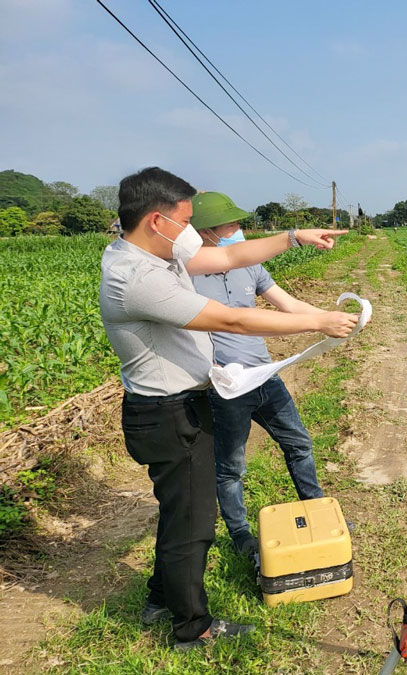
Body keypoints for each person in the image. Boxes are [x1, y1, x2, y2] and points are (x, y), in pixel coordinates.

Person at [99, 167, 359, 650]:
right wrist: (317, 321)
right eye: (186, 221)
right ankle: (191, 629)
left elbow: (233, 254)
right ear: (158, 222)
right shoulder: (137, 278)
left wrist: (292, 236)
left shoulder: (152, 255)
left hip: (179, 407)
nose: (192, 233)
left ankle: (160, 598)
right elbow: (235, 320)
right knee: (195, 527)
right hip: (168, 413)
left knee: (181, 515)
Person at [188, 191, 338, 562]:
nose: (239, 231)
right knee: (231, 465)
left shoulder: (250, 267)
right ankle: (240, 534)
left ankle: (316, 508)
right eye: (232, 225)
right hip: (225, 385)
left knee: (299, 443)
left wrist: (331, 320)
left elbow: (289, 305)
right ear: (206, 232)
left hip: (264, 375)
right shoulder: (185, 275)